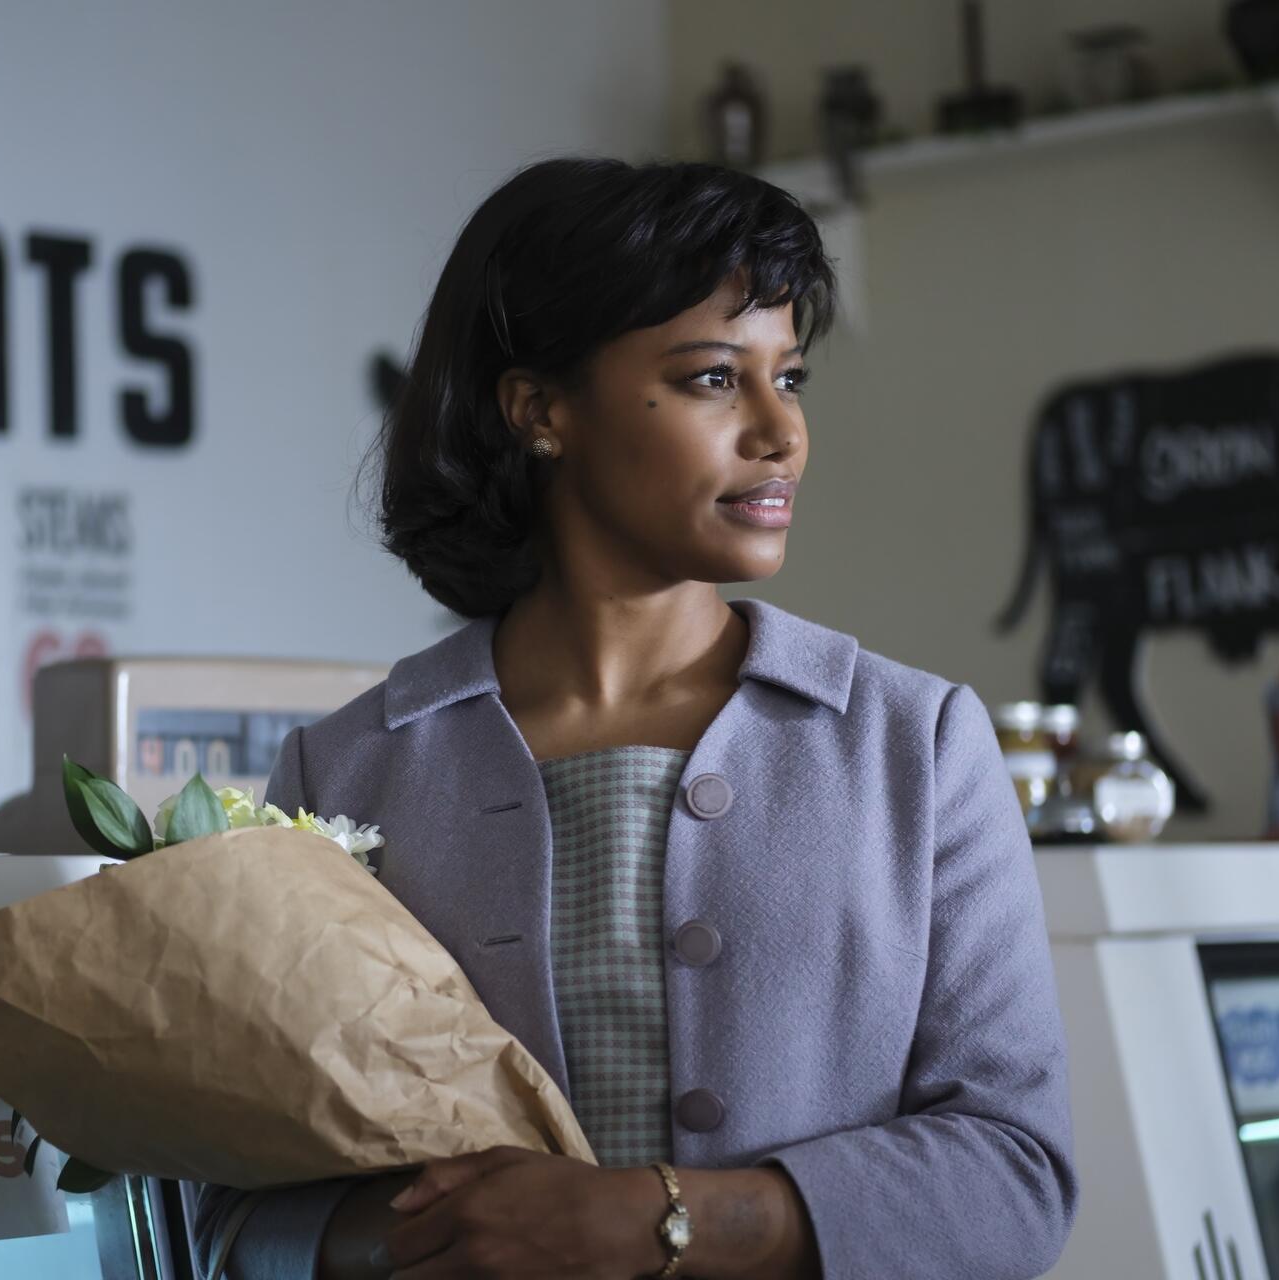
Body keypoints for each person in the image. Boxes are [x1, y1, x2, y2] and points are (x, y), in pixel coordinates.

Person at [194, 156, 1075, 1280]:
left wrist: (658, 1219)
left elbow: (1017, 1174)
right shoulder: (351, 769)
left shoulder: (917, 745)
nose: (781, 434)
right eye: (715, 377)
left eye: (789, 377)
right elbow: (234, 1213)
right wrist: (435, 1236)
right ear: (541, 410)